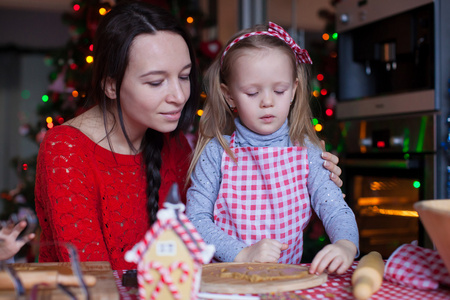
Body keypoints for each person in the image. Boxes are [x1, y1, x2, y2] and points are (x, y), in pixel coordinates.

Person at [35, 3, 342, 271]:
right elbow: (91, 275)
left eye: (184, 76)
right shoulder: (65, 149)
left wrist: (304, 182)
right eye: (156, 82)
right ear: (111, 85)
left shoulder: (172, 141)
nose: (180, 96)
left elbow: (211, 224)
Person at [186, 22, 359, 275]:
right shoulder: (216, 153)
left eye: (279, 90)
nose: (267, 102)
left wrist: (346, 244)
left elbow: (334, 207)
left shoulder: (307, 152)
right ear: (229, 95)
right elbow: (195, 220)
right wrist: (243, 254)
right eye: (252, 92)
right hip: (226, 280)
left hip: (285, 281)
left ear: (294, 91)